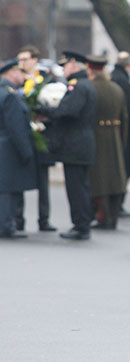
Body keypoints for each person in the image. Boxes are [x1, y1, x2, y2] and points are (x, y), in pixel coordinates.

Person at [37, 51, 97, 240]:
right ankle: (82, 223)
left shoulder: (78, 86)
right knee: (80, 186)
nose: (63, 70)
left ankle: (81, 225)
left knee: (76, 188)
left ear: (73, 65)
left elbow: (68, 111)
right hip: (81, 142)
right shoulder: (85, 84)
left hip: (75, 144)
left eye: (65, 66)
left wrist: (44, 110)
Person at [15, 45, 57, 232]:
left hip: (41, 134)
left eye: (24, 59)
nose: (21, 63)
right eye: (19, 59)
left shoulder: (45, 81)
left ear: (34, 60)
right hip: (22, 134)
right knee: (18, 178)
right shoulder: (15, 81)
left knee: (43, 180)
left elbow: (55, 106)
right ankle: (18, 218)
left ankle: (44, 219)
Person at [87, 56, 128, 230]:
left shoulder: (91, 89)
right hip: (115, 137)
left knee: (99, 179)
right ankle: (113, 216)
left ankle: (103, 216)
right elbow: (125, 118)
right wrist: (122, 141)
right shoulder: (117, 89)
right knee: (115, 178)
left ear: (90, 70)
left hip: (96, 136)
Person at [0, 59, 37, 239]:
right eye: (20, 72)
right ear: (11, 73)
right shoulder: (9, 95)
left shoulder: (5, 92)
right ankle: (6, 226)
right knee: (8, 189)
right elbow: (16, 127)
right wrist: (26, 151)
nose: (23, 76)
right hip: (8, 148)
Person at [111, 51, 130, 217]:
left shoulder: (114, 77)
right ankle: (118, 205)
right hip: (126, 133)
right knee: (124, 171)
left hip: (117, 131)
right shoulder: (124, 80)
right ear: (129, 65)